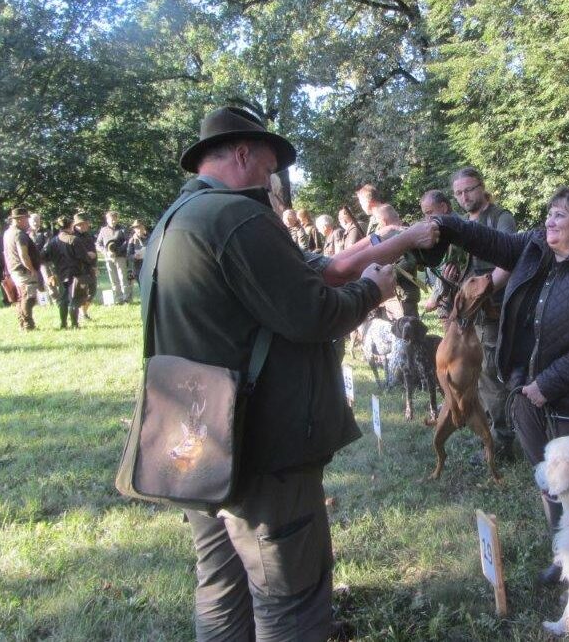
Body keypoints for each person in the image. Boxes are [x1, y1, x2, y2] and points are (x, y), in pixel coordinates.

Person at [156, 105, 399, 641]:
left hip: (195, 438)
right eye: (268, 167)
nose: (271, 180)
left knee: (220, 584)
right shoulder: (237, 218)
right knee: (289, 595)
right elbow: (311, 313)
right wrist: (374, 291)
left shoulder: (175, 220)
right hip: (261, 447)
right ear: (242, 154)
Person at [427, 186, 569, 584]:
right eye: (548, 214)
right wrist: (443, 224)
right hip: (524, 390)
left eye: (560, 216)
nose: (549, 222)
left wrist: (546, 385)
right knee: (548, 478)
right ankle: (565, 555)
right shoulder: (534, 247)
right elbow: (490, 239)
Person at [451, 166, 519, 461]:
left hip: (495, 308)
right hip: (470, 315)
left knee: (492, 374)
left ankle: (503, 442)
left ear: (481, 187)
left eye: (469, 189)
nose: (464, 196)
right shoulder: (463, 224)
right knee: (478, 376)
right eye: (458, 193)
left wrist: (487, 289)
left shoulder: (500, 219)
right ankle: (489, 433)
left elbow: (510, 259)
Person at [419, 189, 468, 320]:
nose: (427, 219)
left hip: (453, 298)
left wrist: (435, 297)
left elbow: (449, 269)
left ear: (444, 207)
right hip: (453, 295)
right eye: (425, 214)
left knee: (453, 337)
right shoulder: (448, 226)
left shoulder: (454, 228)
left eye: (430, 213)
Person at [43, 216, 87, 329]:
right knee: (75, 299)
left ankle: (63, 323)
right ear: (70, 226)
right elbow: (83, 257)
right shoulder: (74, 239)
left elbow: (44, 257)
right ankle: (74, 324)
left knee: (63, 299)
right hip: (75, 273)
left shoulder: (52, 241)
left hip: (60, 273)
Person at [2, 208, 40, 331]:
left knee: (22, 297)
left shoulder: (8, 232)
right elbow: (23, 254)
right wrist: (32, 269)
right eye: (25, 219)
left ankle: (23, 322)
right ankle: (27, 324)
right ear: (18, 220)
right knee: (28, 297)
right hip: (23, 270)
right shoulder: (19, 234)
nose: (27, 221)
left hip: (13, 269)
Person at [96, 211, 132, 304]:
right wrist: (106, 252)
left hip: (120, 257)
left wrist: (117, 251)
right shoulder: (103, 230)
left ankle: (126, 298)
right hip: (108, 257)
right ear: (107, 220)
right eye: (112, 219)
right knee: (113, 278)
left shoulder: (122, 229)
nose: (114, 221)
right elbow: (98, 244)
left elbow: (126, 242)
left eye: (115, 219)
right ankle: (118, 298)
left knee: (123, 277)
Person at [73, 214, 98, 320]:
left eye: (87, 223)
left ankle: (84, 312)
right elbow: (74, 253)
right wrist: (87, 254)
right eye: (85, 223)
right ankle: (79, 314)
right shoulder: (73, 237)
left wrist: (95, 266)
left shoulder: (88, 235)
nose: (88, 225)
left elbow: (94, 250)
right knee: (80, 292)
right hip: (79, 269)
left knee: (92, 291)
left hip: (90, 267)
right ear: (79, 224)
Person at [28, 213, 55, 302]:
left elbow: (48, 245)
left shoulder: (46, 232)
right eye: (33, 220)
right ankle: (43, 301)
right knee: (37, 282)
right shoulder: (26, 233)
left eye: (37, 220)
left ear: (40, 221)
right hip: (33, 262)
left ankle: (55, 299)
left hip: (45, 261)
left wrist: (39, 255)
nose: (35, 222)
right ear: (29, 221)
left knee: (49, 281)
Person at [126, 219, 149, 285]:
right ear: (134, 229)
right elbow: (129, 255)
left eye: (140, 227)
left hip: (149, 267)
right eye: (136, 228)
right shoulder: (132, 240)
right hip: (138, 269)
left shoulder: (150, 238)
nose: (138, 230)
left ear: (143, 227)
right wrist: (134, 256)